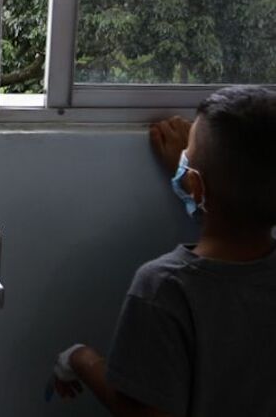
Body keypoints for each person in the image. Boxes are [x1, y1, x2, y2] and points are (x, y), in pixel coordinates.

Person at [51, 85, 276, 416]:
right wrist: (199, 191)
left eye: (189, 151)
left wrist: (80, 358)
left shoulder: (163, 288)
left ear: (196, 184)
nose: (183, 154)